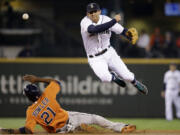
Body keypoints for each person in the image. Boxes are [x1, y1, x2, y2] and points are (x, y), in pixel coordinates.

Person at [0, 75, 136, 134]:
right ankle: (120, 128)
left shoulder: (31, 111)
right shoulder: (47, 94)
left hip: (59, 131)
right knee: (95, 118)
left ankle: (76, 131)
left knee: (73, 130)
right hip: (70, 118)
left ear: (28, 98)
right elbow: (56, 82)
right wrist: (37, 79)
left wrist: (9, 131)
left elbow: (28, 130)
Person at [80, 3, 148, 95]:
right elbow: (94, 29)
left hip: (109, 53)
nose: (92, 14)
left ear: (99, 11)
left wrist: (128, 36)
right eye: (90, 12)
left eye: (95, 11)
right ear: (87, 14)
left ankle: (135, 83)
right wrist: (114, 20)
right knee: (105, 78)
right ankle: (114, 77)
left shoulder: (106, 19)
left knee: (127, 76)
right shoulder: (85, 22)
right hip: (95, 58)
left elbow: (122, 31)